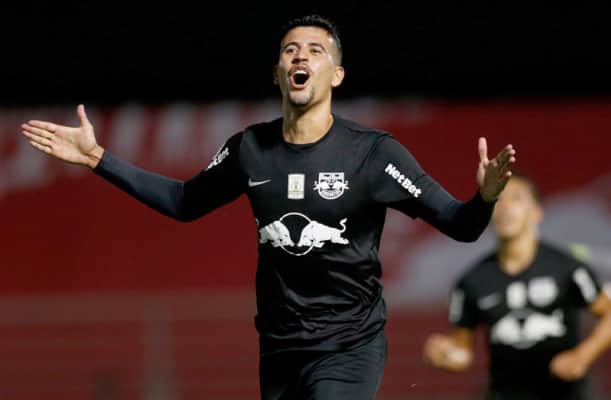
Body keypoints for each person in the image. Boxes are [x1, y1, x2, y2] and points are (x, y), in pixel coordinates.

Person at [21, 14, 516, 400]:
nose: (301, 55)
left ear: (336, 75)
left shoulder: (374, 154)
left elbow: (462, 225)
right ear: (278, 74)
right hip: (279, 349)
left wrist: (486, 197)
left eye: (316, 50)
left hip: (349, 346)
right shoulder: (249, 149)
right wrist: (97, 158)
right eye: (290, 50)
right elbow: (182, 202)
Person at [423, 173, 611, 400]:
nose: (506, 208)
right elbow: (462, 351)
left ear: (536, 212)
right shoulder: (471, 281)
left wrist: (583, 355)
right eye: (498, 200)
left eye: (516, 198)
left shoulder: (567, 268)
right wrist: (446, 355)